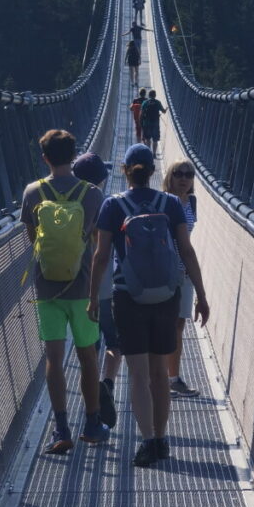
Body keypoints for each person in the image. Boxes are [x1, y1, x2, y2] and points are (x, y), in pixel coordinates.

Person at [89, 144, 210, 468]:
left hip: (129, 296)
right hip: (167, 297)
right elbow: (186, 251)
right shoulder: (170, 203)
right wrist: (201, 293)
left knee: (138, 375)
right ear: (154, 172)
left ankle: (147, 443)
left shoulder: (113, 206)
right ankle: (162, 439)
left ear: (125, 170)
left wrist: (92, 299)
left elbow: (101, 256)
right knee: (160, 373)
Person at [21, 129, 109, 454]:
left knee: (53, 360)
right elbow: (100, 249)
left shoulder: (32, 192)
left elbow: (34, 243)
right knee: (88, 357)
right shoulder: (92, 194)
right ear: (74, 157)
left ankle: (60, 429)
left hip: (47, 289)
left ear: (44, 157)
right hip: (84, 288)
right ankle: (92, 423)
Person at [72, 150, 120, 430]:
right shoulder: (105, 204)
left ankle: (89, 414)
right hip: (104, 287)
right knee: (114, 344)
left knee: (88, 350)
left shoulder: (58, 202)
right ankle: (108, 384)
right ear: (101, 179)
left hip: (73, 289)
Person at [162, 159, 200, 397]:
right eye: (178, 173)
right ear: (170, 176)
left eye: (189, 174)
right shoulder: (163, 202)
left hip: (184, 273)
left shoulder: (192, 201)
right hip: (164, 273)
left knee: (178, 326)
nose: (184, 178)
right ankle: (157, 378)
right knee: (163, 325)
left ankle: (173, 379)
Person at [140, 89, 167, 157]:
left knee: (148, 139)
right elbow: (163, 111)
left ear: (149, 95)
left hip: (147, 123)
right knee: (155, 139)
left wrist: (141, 123)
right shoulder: (158, 102)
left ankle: (149, 152)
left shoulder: (145, 102)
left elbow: (142, 114)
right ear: (155, 95)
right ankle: (154, 153)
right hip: (155, 124)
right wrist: (166, 108)